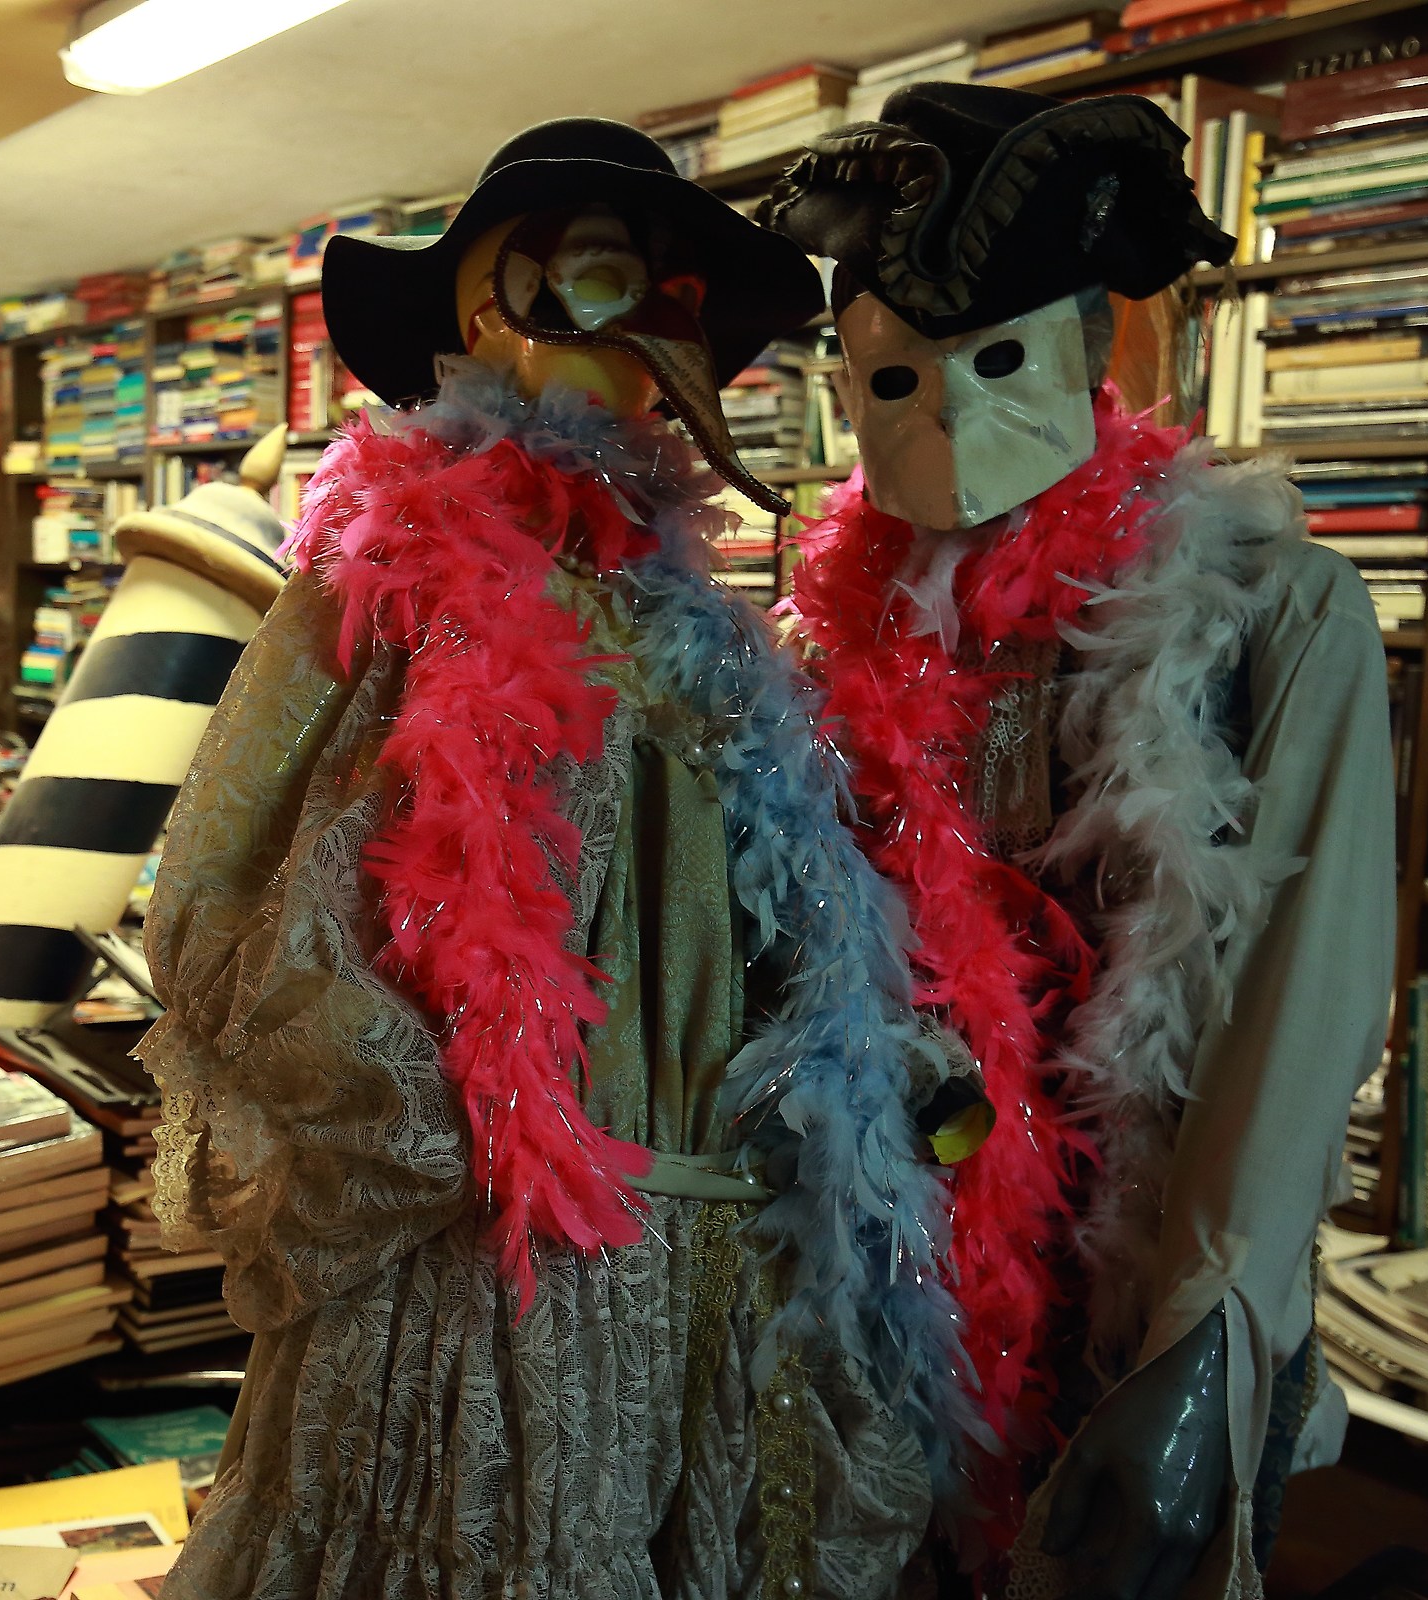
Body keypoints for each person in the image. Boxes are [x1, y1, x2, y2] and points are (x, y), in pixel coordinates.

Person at [141, 115, 987, 1600]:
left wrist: (871, 1075)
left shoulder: (707, 632)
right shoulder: (387, 593)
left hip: (719, 1289)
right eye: (601, 274)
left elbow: (775, 907)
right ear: (485, 309)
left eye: (676, 290)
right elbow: (223, 912)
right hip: (503, 1285)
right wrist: (451, 1136)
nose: (654, 322)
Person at [760, 82, 1397, 1599]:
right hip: (880, 1302)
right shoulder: (816, 645)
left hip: (1139, 1302)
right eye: (901, 378)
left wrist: (1206, 1347)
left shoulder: (1268, 616)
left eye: (1000, 359)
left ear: (1094, 352)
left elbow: (1295, 1013)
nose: (959, 419)